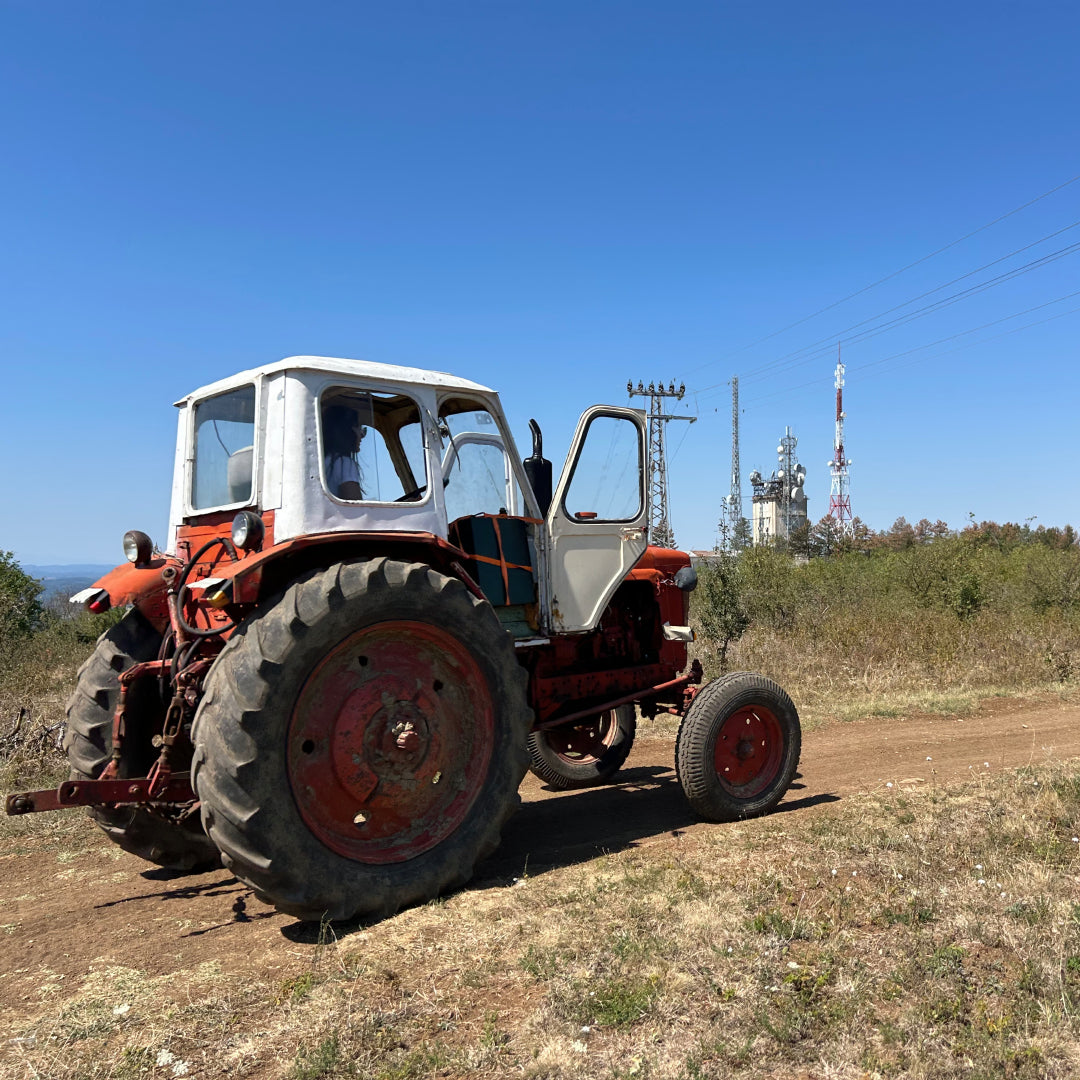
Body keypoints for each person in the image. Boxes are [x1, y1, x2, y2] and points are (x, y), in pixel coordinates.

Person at [322, 403, 365, 500]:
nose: (362, 435)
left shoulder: (324, 461)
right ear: (347, 430)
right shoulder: (344, 463)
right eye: (359, 428)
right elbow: (354, 505)